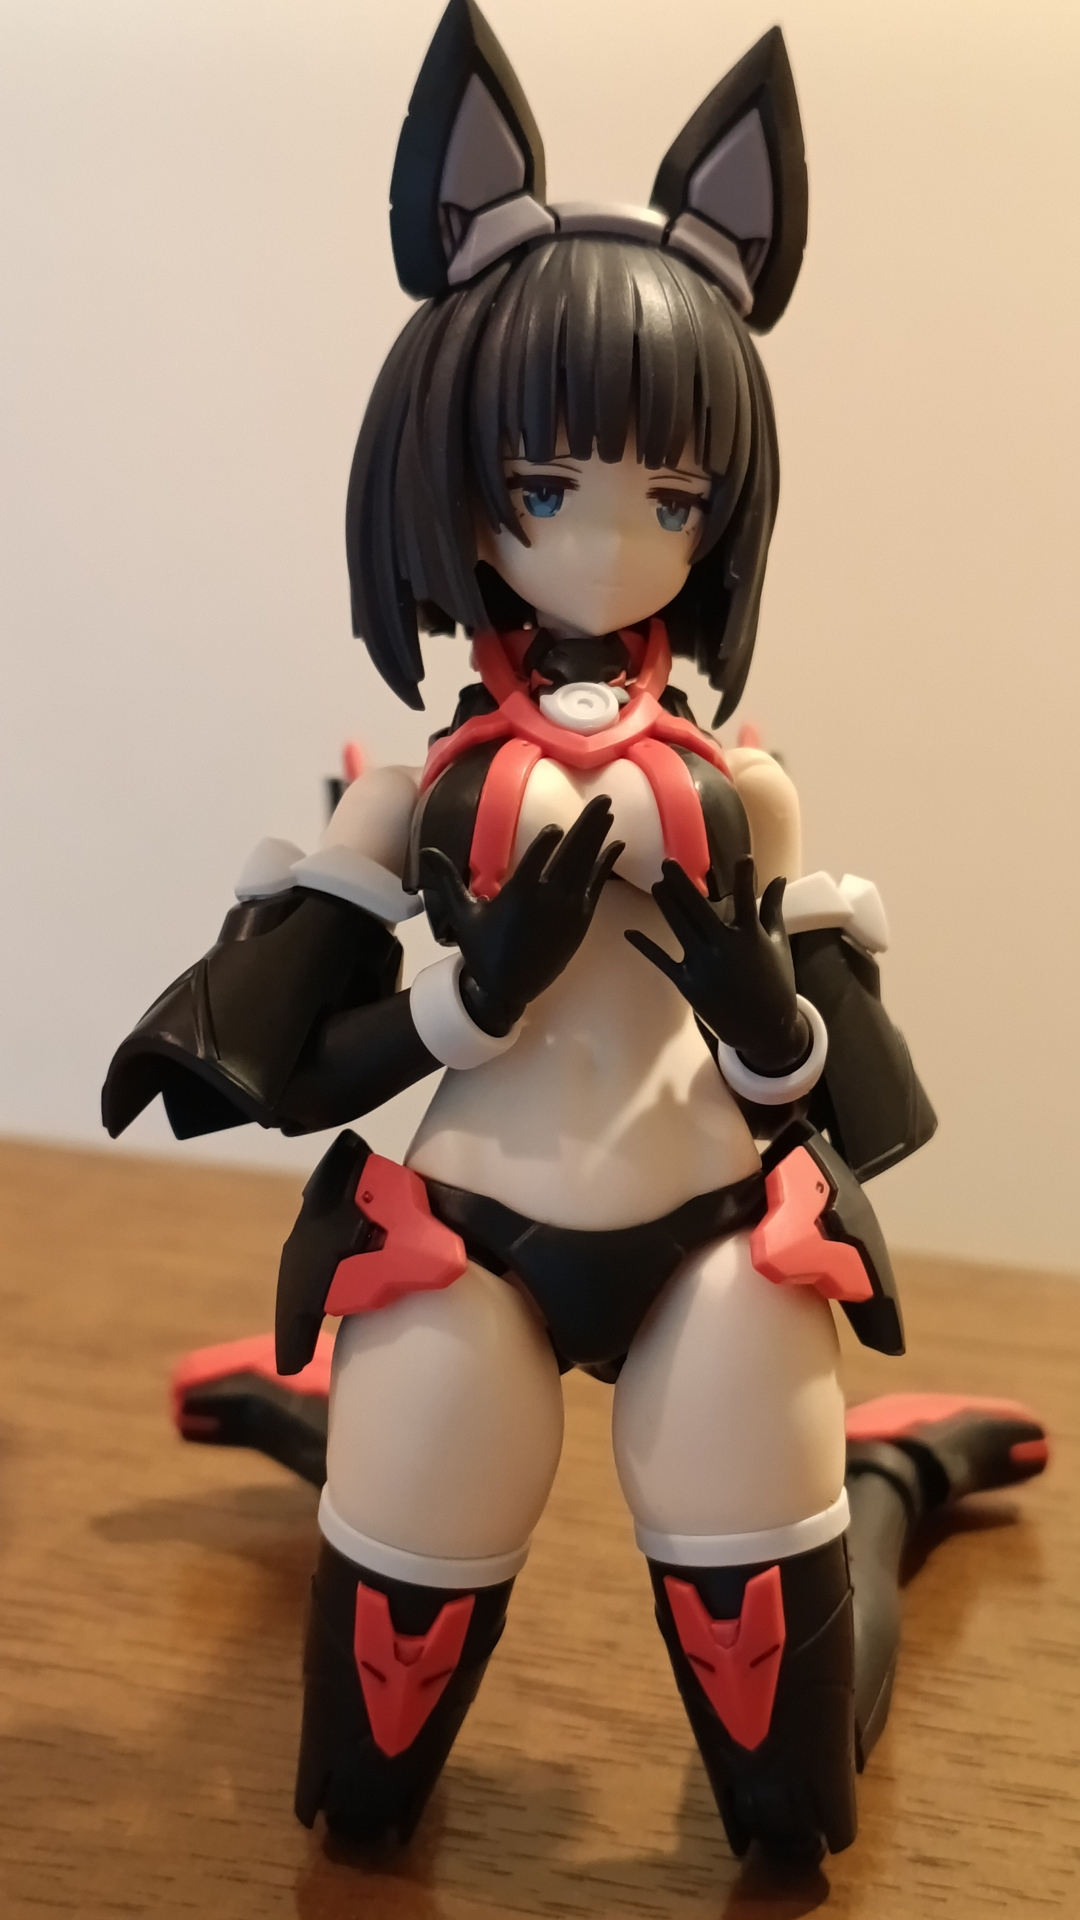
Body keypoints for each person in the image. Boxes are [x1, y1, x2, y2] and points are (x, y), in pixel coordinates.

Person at [103, 2, 1048, 1867]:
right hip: (466, 1242)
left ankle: (880, 1486)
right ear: (464, 480)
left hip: (719, 1244)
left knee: (789, 1815)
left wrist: (753, 999)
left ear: (720, 511)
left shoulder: (746, 786)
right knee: (361, 1799)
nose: (609, 547)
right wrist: (465, 1002)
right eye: (548, 489)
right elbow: (289, 1073)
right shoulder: (408, 799)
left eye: (669, 499)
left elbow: (831, 1095)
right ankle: (323, 1422)